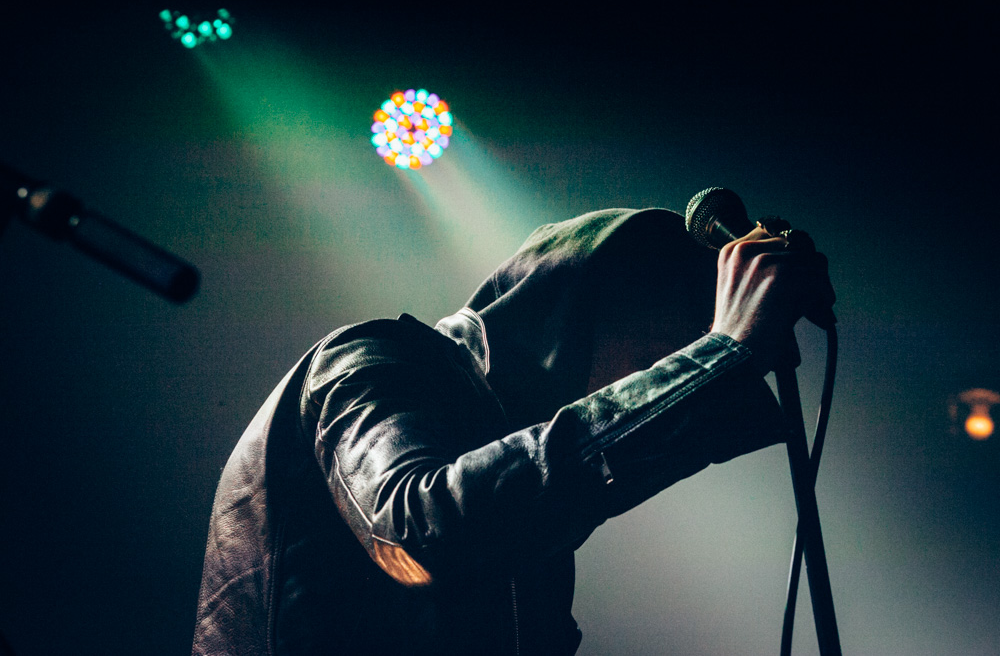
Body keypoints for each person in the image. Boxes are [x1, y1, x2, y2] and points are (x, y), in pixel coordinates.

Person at [191, 206, 833, 655]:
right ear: (572, 320)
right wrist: (718, 355)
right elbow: (416, 535)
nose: (642, 391)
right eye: (650, 361)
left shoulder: (526, 505)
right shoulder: (371, 358)